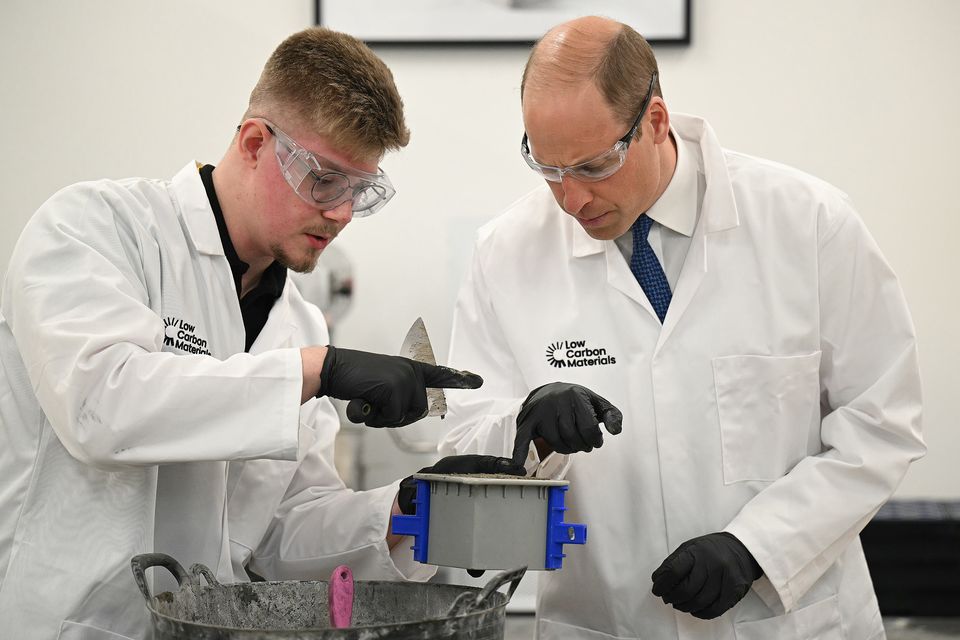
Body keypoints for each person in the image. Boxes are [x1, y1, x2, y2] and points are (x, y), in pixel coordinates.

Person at [0, 27, 521, 639]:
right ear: (253, 142)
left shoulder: (297, 321)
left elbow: (278, 534)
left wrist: (405, 508)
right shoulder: (95, 230)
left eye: (363, 191)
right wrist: (314, 372)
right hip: (67, 627)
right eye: (324, 180)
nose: (342, 213)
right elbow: (100, 406)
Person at [439, 15, 925, 640]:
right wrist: (524, 428)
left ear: (655, 121)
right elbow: (462, 446)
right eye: (547, 167)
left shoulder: (808, 224)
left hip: (785, 618)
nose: (571, 200)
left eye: (592, 166)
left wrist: (758, 547)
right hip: (606, 618)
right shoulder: (505, 253)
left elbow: (881, 424)